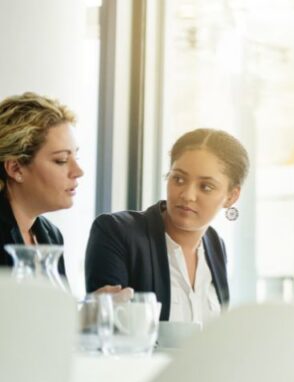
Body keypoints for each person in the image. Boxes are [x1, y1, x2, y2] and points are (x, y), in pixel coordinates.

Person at [85, 128, 249, 323]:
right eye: (179, 179)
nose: (187, 195)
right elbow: (105, 326)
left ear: (231, 196)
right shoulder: (117, 231)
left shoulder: (215, 246)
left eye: (206, 186)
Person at [0, 92, 83, 275]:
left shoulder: (51, 236)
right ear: (15, 169)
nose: (78, 171)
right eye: (61, 160)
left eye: (75, 157)